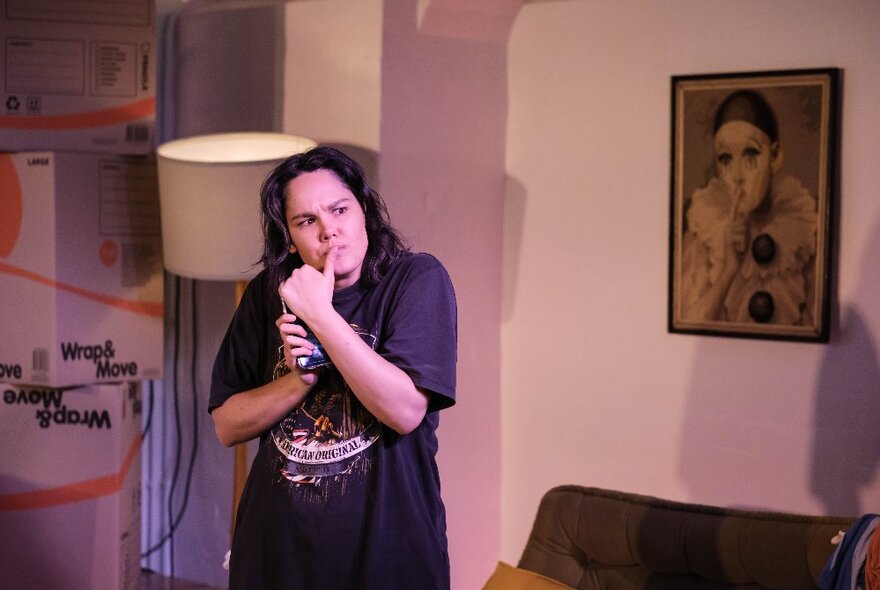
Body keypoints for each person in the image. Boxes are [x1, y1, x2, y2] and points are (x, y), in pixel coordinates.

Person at [209, 146, 457, 589]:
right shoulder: (268, 294)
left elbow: (404, 410)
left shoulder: (416, 280)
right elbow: (227, 425)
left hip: (388, 558)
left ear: (364, 210)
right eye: (307, 221)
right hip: (276, 556)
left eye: (339, 209)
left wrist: (320, 316)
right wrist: (300, 379)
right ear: (289, 236)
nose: (329, 231)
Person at [681, 89, 818, 325]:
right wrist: (728, 271)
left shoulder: (804, 225)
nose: (736, 175)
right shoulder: (703, 229)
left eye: (750, 154)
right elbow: (688, 330)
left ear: (774, 157)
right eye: (725, 158)